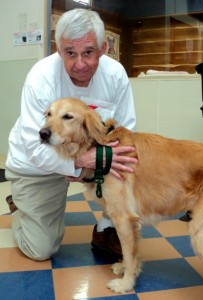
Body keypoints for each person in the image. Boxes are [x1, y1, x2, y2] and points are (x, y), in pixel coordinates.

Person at [5, 8, 137, 261]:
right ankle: (21, 207)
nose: (80, 64)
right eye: (70, 53)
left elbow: (125, 131)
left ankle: (106, 229)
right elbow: (35, 147)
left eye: (88, 52)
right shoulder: (40, 77)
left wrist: (94, 163)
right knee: (41, 250)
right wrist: (79, 162)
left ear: (103, 48)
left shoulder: (115, 74)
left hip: (91, 162)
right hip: (38, 166)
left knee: (126, 165)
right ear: (58, 50)